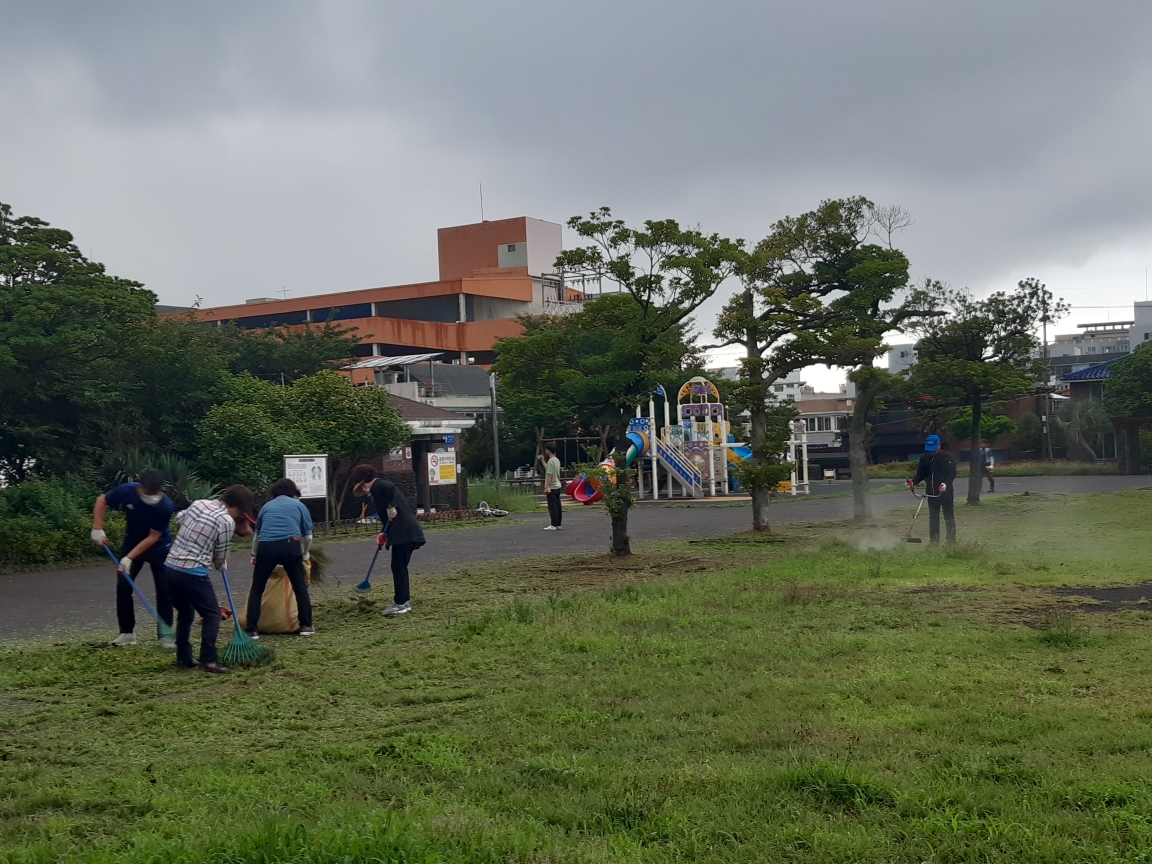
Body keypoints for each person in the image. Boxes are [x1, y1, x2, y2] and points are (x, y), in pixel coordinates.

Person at [164, 485, 255, 673]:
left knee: (186, 612)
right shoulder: (226, 521)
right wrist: (221, 563)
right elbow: (220, 557)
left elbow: (180, 518)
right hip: (192, 570)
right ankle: (209, 660)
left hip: (170, 567)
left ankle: (184, 657)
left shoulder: (199, 504)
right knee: (212, 614)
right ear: (238, 507)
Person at [91, 468, 175, 648]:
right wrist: (97, 528)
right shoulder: (127, 491)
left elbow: (153, 537)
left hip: (159, 547)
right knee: (123, 587)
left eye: (155, 493)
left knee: (164, 590)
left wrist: (129, 558)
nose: (151, 496)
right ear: (140, 486)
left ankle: (165, 636)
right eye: (147, 492)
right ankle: (127, 633)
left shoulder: (165, 506)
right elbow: (102, 500)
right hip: (132, 542)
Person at [351, 463, 425, 616]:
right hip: (401, 533)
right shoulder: (375, 492)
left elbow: (391, 489)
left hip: (405, 533)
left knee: (398, 567)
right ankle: (403, 602)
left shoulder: (380, 485)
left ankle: (400, 603)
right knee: (399, 567)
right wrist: (383, 534)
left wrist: (392, 506)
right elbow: (387, 519)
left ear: (364, 482)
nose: (363, 490)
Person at [245, 478, 315, 638]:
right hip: (291, 546)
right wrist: (305, 553)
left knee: (257, 588)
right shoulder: (299, 506)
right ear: (293, 492)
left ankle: (252, 629)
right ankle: (306, 626)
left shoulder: (267, 506)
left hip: (266, 546)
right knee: (299, 587)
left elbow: (257, 534)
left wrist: (254, 555)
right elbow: (308, 536)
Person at [909, 434, 957, 545]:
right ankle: (934, 541)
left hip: (945, 492)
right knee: (933, 517)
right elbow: (920, 474)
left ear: (939, 445)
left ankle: (951, 541)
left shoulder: (947, 457)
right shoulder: (924, 458)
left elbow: (952, 473)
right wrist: (913, 482)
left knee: (948, 516)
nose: (932, 451)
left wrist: (945, 483)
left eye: (934, 448)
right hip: (931, 492)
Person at [541, 445, 563, 531]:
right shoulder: (556, 460)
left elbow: (550, 475)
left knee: (552, 507)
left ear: (549, 451)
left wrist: (547, 487)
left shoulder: (551, 461)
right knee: (558, 506)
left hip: (552, 486)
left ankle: (553, 524)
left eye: (546, 449)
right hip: (557, 485)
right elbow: (548, 469)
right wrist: (542, 460)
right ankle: (558, 524)